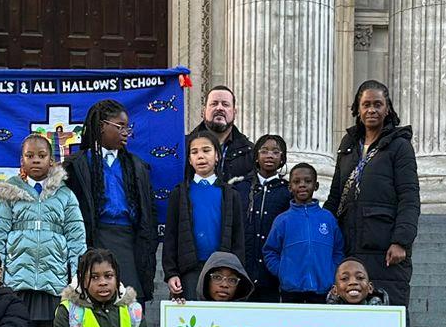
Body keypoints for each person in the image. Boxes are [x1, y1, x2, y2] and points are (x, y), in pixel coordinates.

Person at [0, 132, 86, 327]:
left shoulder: (65, 195)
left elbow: (76, 238)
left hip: (53, 283)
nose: (36, 160)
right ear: (21, 160)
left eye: (41, 155)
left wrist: (77, 276)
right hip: (18, 283)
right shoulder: (10, 193)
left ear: (51, 160)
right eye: (29, 155)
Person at [324, 79, 419, 307]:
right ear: (357, 109)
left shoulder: (400, 145)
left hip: (385, 247)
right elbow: (335, 194)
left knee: (388, 309)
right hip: (349, 243)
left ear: (387, 109)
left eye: (378, 104)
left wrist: (401, 241)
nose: (372, 110)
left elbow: (409, 197)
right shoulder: (348, 144)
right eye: (366, 105)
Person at [65, 99, 158, 299]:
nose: (126, 133)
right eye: (120, 126)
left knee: (130, 301)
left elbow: (149, 211)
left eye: (127, 128)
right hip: (93, 239)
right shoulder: (77, 165)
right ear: (101, 126)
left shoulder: (137, 166)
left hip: (129, 243)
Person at [221, 132, 290, 299]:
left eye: (275, 152)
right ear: (256, 156)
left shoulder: (287, 191)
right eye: (264, 151)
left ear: (282, 158)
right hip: (242, 271)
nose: (270, 155)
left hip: (273, 275)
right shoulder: (240, 188)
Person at [262, 162, 341, 304]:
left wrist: (332, 272)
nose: (302, 185)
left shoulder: (328, 218)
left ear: (316, 186)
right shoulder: (282, 220)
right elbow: (270, 251)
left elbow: (338, 250)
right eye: (297, 182)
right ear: (290, 187)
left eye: (308, 181)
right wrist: (283, 272)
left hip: (323, 290)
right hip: (291, 291)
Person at [162, 131, 224, 301]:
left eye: (206, 150)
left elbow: (237, 237)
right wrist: (171, 273)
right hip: (189, 270)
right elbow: (171, 237)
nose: (200, 156)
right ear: (189, 159)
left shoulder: (229, 194)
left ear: (217, 156)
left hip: (221, 271)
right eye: (194, 152)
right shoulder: (180, 193)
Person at [194, 83, 255, 184]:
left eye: (225, 104)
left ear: (234, 112)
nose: (219, 108)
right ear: (203, 111)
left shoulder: (250, 152)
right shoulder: (184, 148)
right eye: (214, 104)